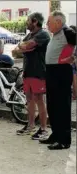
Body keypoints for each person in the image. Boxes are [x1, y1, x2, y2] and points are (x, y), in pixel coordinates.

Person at [39, 11, 76, 150]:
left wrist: (73, 58)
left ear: (58, 22)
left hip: (61, 72)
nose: (47, 24)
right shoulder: (56, 34)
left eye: (49, 22)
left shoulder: (68, 32)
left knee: (62, 107)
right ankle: (55, 135)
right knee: (52, 105)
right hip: (52, 72)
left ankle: (64, 140)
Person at [13, 12, 50, 139]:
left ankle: (44, 129)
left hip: (38, 73)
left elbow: (27, 45)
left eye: (28, 20)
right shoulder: (29, 35)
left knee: (39, 100)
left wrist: (24, 47)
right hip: (27, 72)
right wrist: (23, 47)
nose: (26, 22)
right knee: (29, 100)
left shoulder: (43, 34)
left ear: (35, 22)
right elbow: (16, 51)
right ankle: (30, 126)